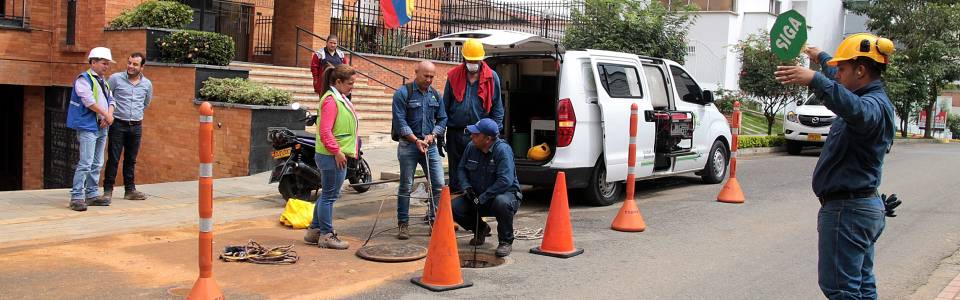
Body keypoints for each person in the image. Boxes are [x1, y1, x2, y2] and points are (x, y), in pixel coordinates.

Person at [775, 33, 896, 299]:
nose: (836, 74)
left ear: (861, 70)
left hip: (848, 212)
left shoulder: (871, 106)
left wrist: (815, 79)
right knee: (861, 287)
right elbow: (842, 86)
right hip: (857, 208)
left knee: (842, 290)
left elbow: (854, 109)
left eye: (842, 69)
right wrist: (819, 57)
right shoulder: (868, 95)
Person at [303, 64, 360, 250]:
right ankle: (327, 235)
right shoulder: (330, 100)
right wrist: (337, 151)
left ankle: (314, 230)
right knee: (329, 196)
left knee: (328, 194)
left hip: (335, 155)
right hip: (332, 156)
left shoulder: (338, 97)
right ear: (338, 82)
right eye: (350, 83)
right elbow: (325, 131)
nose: (352, 86)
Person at [392, 61, 447, 239]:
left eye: (432, 76)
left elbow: (443, 119)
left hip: (429, 146)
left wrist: (433, 135)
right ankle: (403, 224)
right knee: (406, 185)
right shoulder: (402, 93)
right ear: (416, 72)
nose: (429, 80)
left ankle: (434, 221)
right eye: (426, 76)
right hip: (409, 145)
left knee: (438, 184)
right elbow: (400, 122)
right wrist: (416, 140)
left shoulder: (436, 95)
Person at [451, 118, 521, 257]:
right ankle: (481, 229)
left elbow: (505, 181)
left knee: (502, 203)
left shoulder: (502, 150)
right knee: (453, 207)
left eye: (476, 135)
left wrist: (483, 197)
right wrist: (467, 188)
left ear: (488, 139)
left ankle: (505, 241)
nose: (472, 137)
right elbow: (461, 169)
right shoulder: (471, 147)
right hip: (478, 195)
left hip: (502, 195)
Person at [443, 38, 504, 194]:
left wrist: (494, 133)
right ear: (464, 58)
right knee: (456, 174)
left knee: (476, 171)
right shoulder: (454, 76)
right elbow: (444, 106)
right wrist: (439, 133)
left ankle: (475, 205)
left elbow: (497, 108)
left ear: (481, 59)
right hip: (455, 133)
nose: (473, 63)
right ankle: (456, 210)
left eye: (475, 60)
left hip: (480, 135)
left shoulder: (491, 77)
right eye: (469, 60)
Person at [66, 47, 116, 211]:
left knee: (97, 162)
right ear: (93, 62)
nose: (106, 66)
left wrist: (108, 115)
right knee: (86, 162)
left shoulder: (104, 82)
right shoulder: (83, 79)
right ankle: (77, 197)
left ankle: (92, 194)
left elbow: (111, 101)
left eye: (107, 64)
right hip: (88, 126)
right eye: (103, 63)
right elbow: (89, 102)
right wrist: (105, 115)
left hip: (101, 126)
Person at [104, 52, 153, 202]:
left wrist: (135, 115)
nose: (131, 66)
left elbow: (146, 103)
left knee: (131, 159)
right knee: (113, 158)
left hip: (136, 126)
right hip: (118, 124)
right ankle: (107, 191)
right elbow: (106, 97)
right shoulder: (115, 79)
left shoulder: (147, 84)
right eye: (129, 63)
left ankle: (130, 190)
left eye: (135, 64)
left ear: (142, 67)